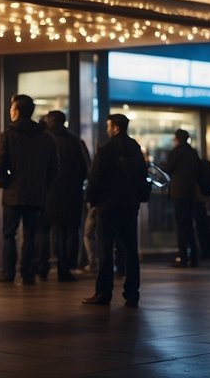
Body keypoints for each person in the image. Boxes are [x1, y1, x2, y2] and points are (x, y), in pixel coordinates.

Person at [82, 113, 147, 308]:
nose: (107, 130)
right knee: (130, 250)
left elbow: (95, 177)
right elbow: (143, 176)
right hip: (129, 206)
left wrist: (91, 200)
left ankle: (103, 292)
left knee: (105, 249)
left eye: (109, 126)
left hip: (108, 206)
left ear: (115, 127)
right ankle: (132, 293)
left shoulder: (107, 149)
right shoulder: (135, 148)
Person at [0, 94, 57, 284]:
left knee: (9, 234)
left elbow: (1, 165)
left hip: (13, 194)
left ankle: (8, 272)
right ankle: (27, 273)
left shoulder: (9, 135)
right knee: (31, 235)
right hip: (36, 193)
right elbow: (54, 168)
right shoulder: (46, 137)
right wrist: (43, 185)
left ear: (17, 111)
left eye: (11, 108)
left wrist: (6, 183)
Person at [38, 110, 90, 281]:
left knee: (55, 231)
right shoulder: (74, 141)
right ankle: (66, 268)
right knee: (71, 231)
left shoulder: (46, 140)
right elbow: (84, 167)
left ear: (52, 121)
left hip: (52, 193)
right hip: (72, 193)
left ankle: (44, 267)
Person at [165, 129, 201, 268]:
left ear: (177, 139)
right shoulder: (193, 152)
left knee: (181, 225)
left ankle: (183, 256)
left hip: (178, 193)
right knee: (189, 225)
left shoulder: (176, 152)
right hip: (190, 192)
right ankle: (194, 256)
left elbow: (168, 169)